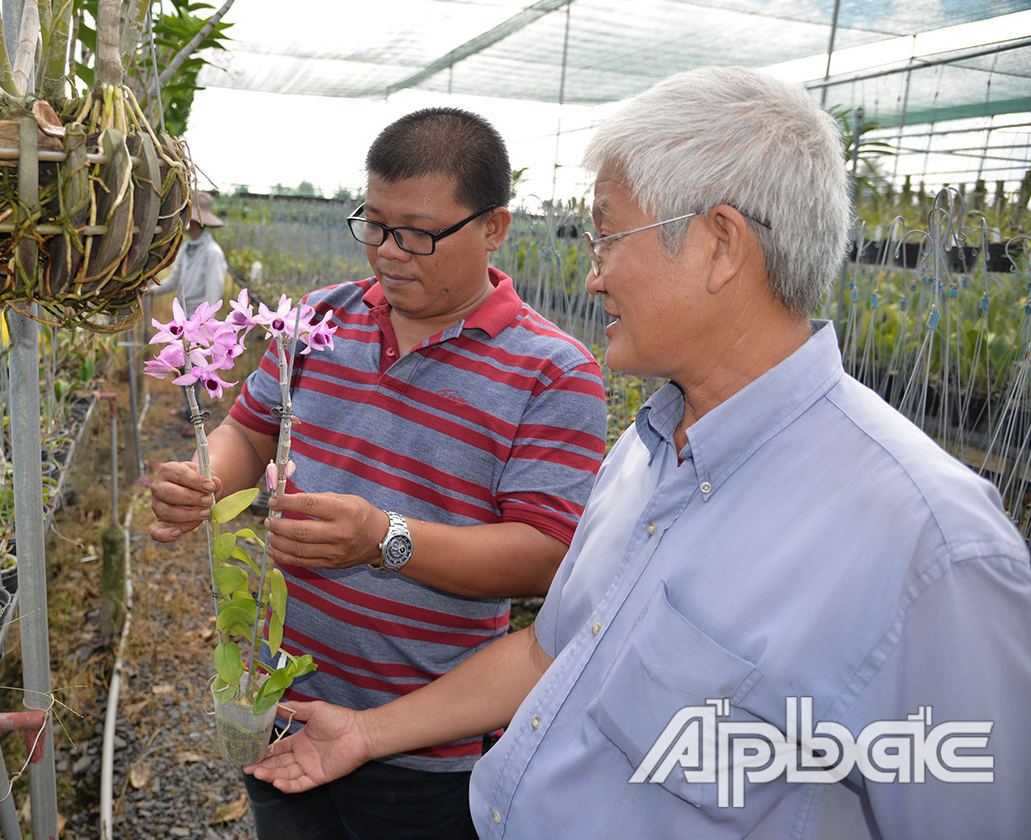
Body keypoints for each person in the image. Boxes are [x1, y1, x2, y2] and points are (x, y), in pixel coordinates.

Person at [245, 67, 1031, 839]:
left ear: (719, 245)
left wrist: (384, 537)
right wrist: (365, 734)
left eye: (608, 235)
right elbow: (552, 654)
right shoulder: (645, 452)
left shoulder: (929, 545)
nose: (590, 276)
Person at [149, 108, 608, 839]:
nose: (389, 252)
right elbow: (249, 428)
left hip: (424, 740)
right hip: (279, 696)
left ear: (495, 227)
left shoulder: (553, 373)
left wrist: (383, 538)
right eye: (374, 224)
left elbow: (546, 557)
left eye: (419, 233)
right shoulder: (317, 321)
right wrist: (203, 477)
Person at [147, 190, 230, 435]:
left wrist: (203, 327)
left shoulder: (212, 254)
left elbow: (214, 295)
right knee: (183, 369)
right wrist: (149, 291)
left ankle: (196, 420)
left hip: (199, 325)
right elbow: (174, 282)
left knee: (197, 373)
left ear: (195, 221)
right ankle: (187, 410)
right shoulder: (186, 248)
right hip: (184, 320)